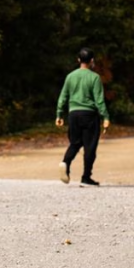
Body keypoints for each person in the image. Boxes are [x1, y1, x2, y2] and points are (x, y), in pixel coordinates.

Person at [55, 48, 110, 186]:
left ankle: (65, 162)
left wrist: (59, 114)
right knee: (90, 147)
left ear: (78, 60)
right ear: (92, 61)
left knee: (75, 143)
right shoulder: (94, 77)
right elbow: (99, 100)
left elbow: (63, 97)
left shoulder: (70, 76)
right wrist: (106, 117)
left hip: (73, 114)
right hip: (89, 115)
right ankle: (86, 177)